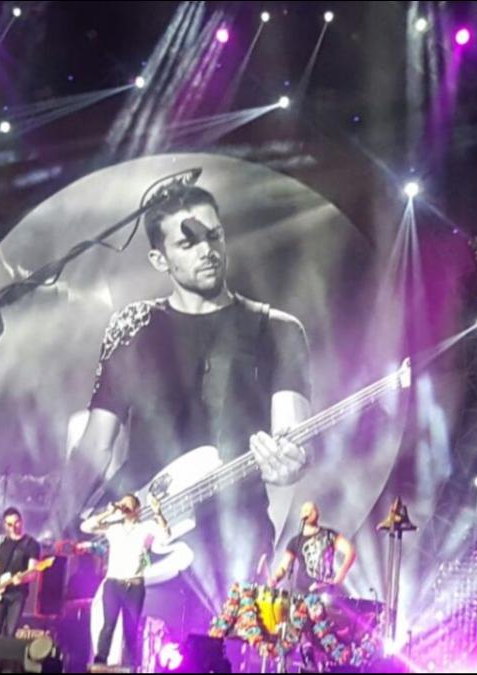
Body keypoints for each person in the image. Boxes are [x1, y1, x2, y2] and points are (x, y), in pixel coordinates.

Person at [56, 180, 313, 624]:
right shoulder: (132, 327)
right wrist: (55, 526)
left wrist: (290, 465)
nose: (207, 250)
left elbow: (294, 436)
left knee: (221, 653)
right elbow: (96, 445)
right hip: (143, 540)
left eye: (214, 236)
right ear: (160, 259)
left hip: (233, 539)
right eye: (188, 242)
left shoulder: (278, 329)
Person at [81, 493, 170, 668]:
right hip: (113, 584)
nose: (124, 507)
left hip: (134, 586)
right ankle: (100, 663)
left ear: (137, 509)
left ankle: (130, 665)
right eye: (122, 504)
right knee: (108, 625)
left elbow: (166, 536)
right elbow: (86, 527)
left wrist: (158, 512)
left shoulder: (146, 527)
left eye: (127, 504)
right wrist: (109, 512)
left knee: (131, 628)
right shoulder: (113, 529)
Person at [0, 507, 42, 636]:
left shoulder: (31, 544)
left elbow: (33, 573)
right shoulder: (1, 543)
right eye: (9, 524)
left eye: (16, 522)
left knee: (10, 632)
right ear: (4, 525)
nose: (13, 527)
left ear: (22, 521)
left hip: (17, 595)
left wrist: (22, 579)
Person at [269, 502, 356, 594]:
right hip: (302, 593)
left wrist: (341, 574)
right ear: (301, 515)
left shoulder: (329, 534)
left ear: (317, 513)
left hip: (324, 592)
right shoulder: (295, 541)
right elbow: (283, 566)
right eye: (305, 510)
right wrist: (275, 578)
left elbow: (350, 551)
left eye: (311, 510)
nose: (308, 512)